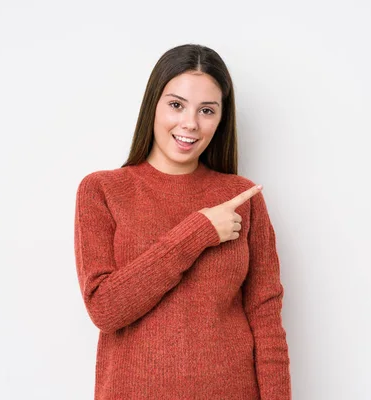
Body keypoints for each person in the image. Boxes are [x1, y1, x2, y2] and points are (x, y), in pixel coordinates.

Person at [73, 44, 292, 399]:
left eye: (207, 110)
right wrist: (198, 232)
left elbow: (265, 318)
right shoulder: (102, 190)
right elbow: (106, 309)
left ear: (221, 118)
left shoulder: (243, 197)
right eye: (176, 105)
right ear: (153, 105)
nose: (190, 123)